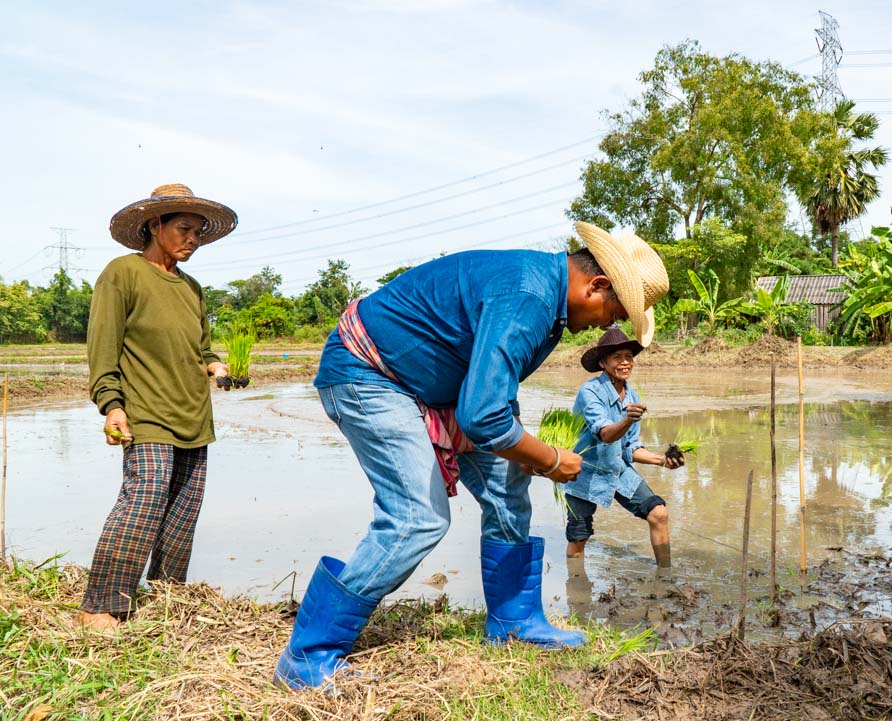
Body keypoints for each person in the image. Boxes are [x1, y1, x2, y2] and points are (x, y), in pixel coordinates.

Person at [273, 221, 669, 690]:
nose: (610, 325)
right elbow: (482, 417)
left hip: (438, 388)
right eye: (615, 311)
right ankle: (309, 652)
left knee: (507, 485)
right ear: (596, 285)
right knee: (417, 518)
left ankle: (513, 621)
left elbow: (495, 390)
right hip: (370, 373)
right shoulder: (531, 297)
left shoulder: (547, 300)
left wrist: (520, 451)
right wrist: (546, 458)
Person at [77, 184, 236, 632]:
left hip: (193, 415)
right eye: (184, 229)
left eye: (199, 232)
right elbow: (102, 346)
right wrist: (111, 405)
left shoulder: (192, 288)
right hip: (145, 412)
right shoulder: (123, 274)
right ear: (155, 225)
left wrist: (217, 367)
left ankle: (168, 599)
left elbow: (201, 348)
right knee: (142, 501)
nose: (193, 239)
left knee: (182, 513)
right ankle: (100, 605)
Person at [562, 327, 683, 570]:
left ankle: (665, 574)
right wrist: (627, 419)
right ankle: (577, 591)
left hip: (617, 469)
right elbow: (606, 434)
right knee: (579, 536)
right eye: (617, 357)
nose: (625, 362)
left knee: (658, 513)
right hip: (585, 472)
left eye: (628, 356)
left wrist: (662, 460)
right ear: (603, 363)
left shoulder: (632, 394)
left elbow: (629, 448)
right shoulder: (590, 391)